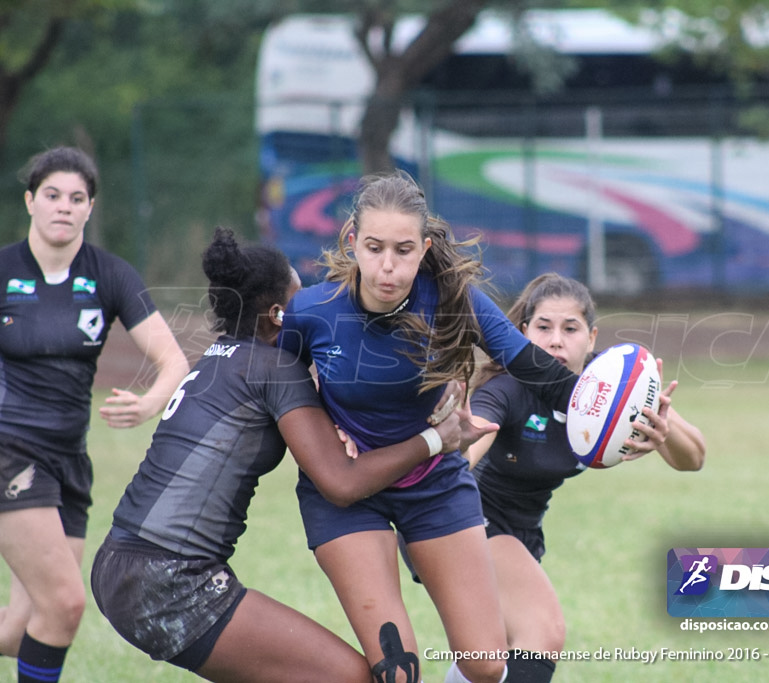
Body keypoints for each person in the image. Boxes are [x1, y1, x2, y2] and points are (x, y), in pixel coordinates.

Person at [90, 227, 485, 682]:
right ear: (280, 314)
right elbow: (341, 483)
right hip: (168, 580)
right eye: (303, 298)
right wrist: (438, 439)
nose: (317, 309)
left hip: (120, 562)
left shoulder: (219, 359)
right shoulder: (275, 368)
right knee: (354, 678)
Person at [279, 171, 579, 683]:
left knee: (486, 667)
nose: (388, 267)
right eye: (374, 248)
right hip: (350, 495)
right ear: (352, 241)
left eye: (403, 250)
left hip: (434, 484)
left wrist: (610, 408)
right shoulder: (310, 312)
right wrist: (325, 425)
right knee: (398, 672)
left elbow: (529, 364)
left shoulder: (453, 302)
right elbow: (279, 389)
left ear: (424, 248)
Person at [0, 147, 190, 683]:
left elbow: (173, 359)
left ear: (90, 208)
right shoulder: (4, 269)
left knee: (25, 626)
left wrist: (150, 402)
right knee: (64, 604)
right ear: (30, 201)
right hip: (9, 452)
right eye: (53, 195)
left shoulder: (109, 275)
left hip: (69, 463)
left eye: (76, 198)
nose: (64, 206)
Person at [464, 273, 707, 682]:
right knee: (542, 630)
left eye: (570, 328)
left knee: (491, 661)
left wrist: (662, 428)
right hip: (466, 520)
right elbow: (464, 453)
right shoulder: (506, 389)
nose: (556, 340)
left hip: (523, 534)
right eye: (543, 327)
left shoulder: (610, 387)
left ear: (592, 338)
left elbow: (694, 458)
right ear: (523, 333)